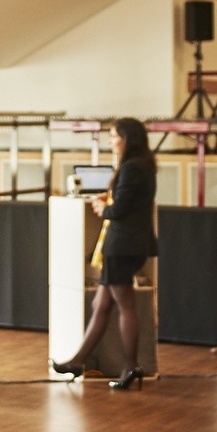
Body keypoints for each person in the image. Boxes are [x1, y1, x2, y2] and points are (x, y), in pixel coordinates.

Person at [52, 117, 157, 391]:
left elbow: (118, 210)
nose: (111, 142)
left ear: (127, 139)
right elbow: (130, 203)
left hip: (122, 246)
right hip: (132, 245)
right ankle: (78, 361)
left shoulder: (131, 167)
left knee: (125, 306)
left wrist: (102, 208)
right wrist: (109, 198)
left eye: (113, 136)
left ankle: (130, 366)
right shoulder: (144, 165)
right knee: (101, 305)